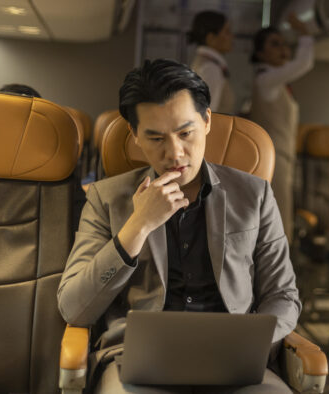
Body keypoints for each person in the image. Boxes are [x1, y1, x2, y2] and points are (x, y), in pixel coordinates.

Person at [57, 59, 300, 393]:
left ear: (207, 121)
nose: (175, 153)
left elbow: (284, 296)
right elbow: (74, 307)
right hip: (136, 364)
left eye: (186, 133)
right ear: (134, 135)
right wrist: (137, 227)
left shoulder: (253, 195)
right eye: (155, 138)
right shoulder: (106, 198)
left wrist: (250, 344)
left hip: (234, 360)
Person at [249, 14, 314, 241]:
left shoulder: (275, 81)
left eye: (284, 44)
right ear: (260, 54)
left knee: (278, 218)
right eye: (275, 45)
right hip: (274, 160)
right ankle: (275, 274)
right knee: (277, 221)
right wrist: (304, 34)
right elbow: (304, 63)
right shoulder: (267, 79)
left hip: (280, 158)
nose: (283, 49)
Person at [187, 10, 235, 114]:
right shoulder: (210, 68)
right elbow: (208, 114)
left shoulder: (208, 63)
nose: (231, 36)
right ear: (211, 38)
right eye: (227, 32)